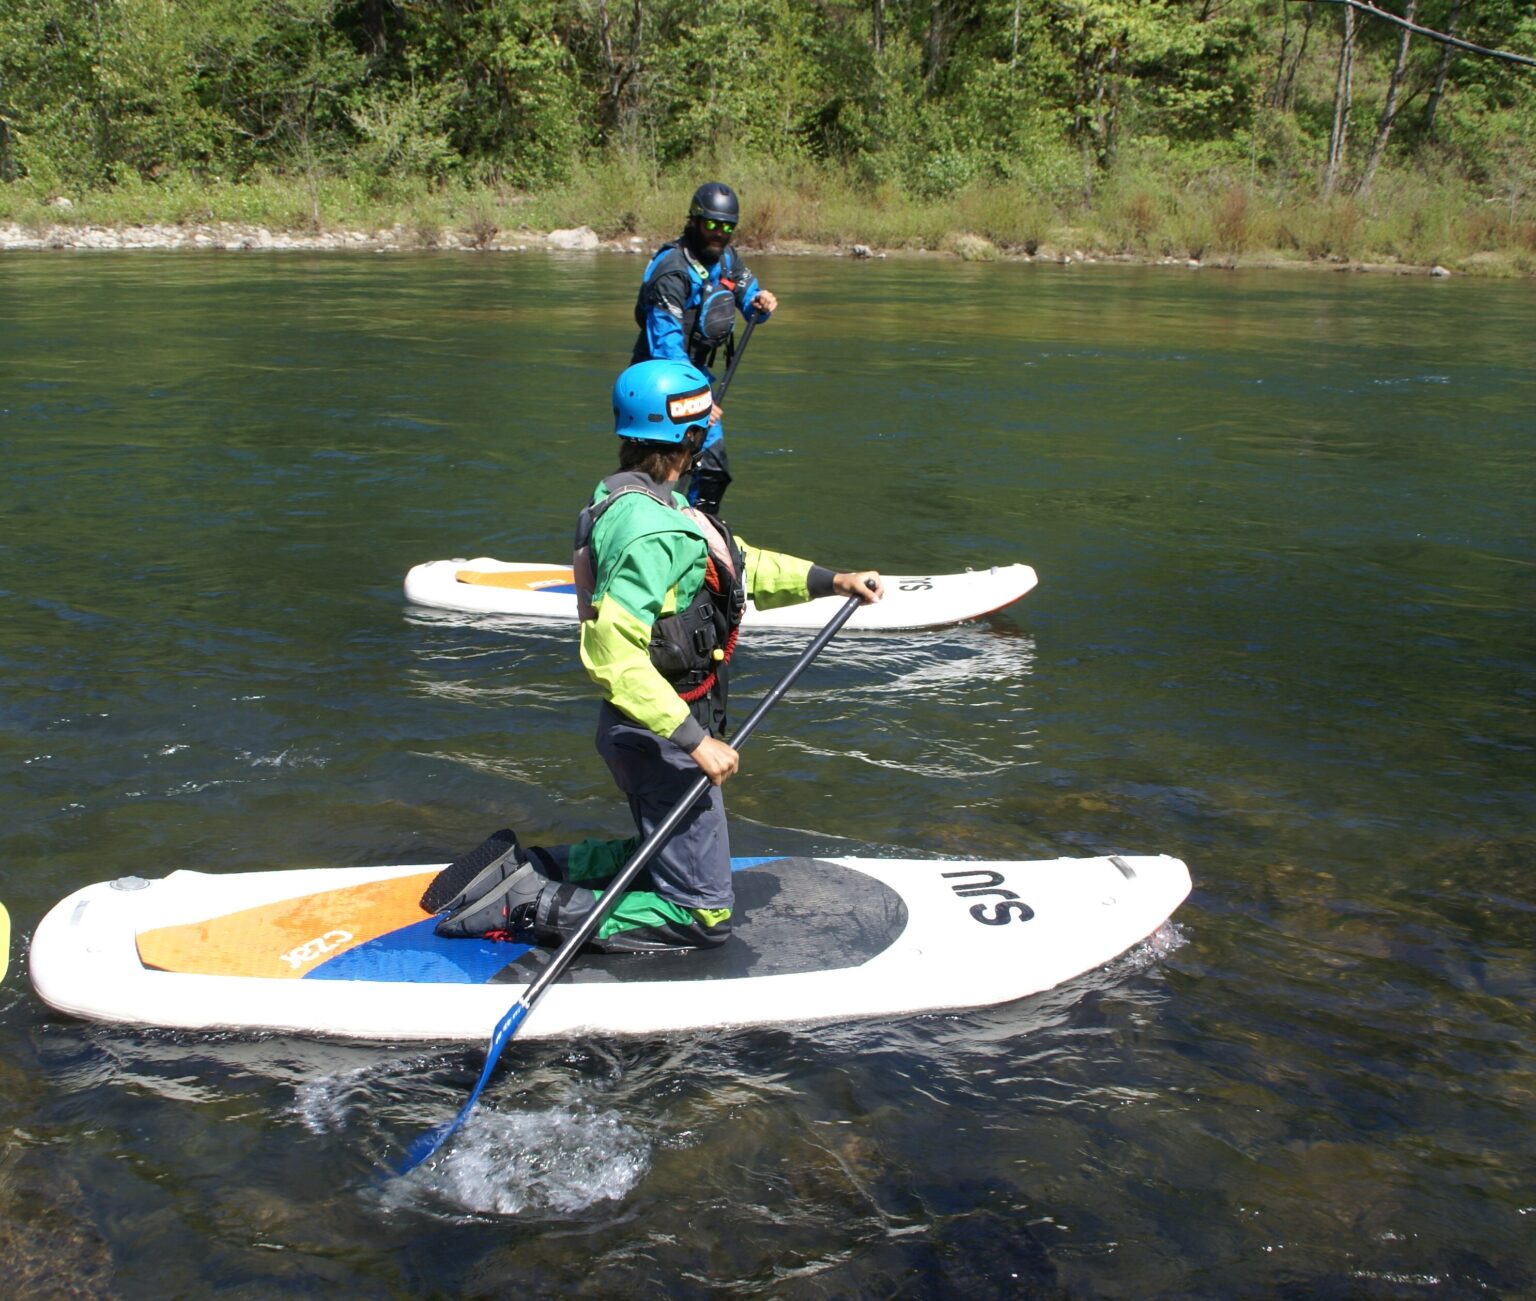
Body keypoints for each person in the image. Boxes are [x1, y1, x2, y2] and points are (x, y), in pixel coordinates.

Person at [430, 359, 881, 953]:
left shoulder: (638, 500)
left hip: (646, 726)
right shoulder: (654, 532)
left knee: (663, 848)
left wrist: (831, 580)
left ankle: (535, 866)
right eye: (707, 421)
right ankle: (525, 904)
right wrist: (695, 741)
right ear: (686, 436)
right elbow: (613, 651)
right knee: (703, 914)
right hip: (662, 733)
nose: (715, 425)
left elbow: (736, 564)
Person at [630, 181, 778, 515]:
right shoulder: (672, 270)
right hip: (658, 382)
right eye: (711, 225)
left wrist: (760, 302)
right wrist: (695, 397)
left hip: (694, 379)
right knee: (663, 469)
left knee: (712, 470)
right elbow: (665, 344)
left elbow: (749, 298)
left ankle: (699, 531)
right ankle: (645, 526)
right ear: (695, 221)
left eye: (727, 227)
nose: (719, 234)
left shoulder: (727, 260)